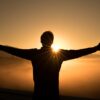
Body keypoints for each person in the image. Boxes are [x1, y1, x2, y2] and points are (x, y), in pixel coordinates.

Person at [0, 31, 100, 99]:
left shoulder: (34, 54)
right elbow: (77, 52)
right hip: (53, 96)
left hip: (38, 95)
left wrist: (1, 47)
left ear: (41, 41)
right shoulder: (59, 55)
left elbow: (15, 51)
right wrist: (95, 48)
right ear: (52, 42)